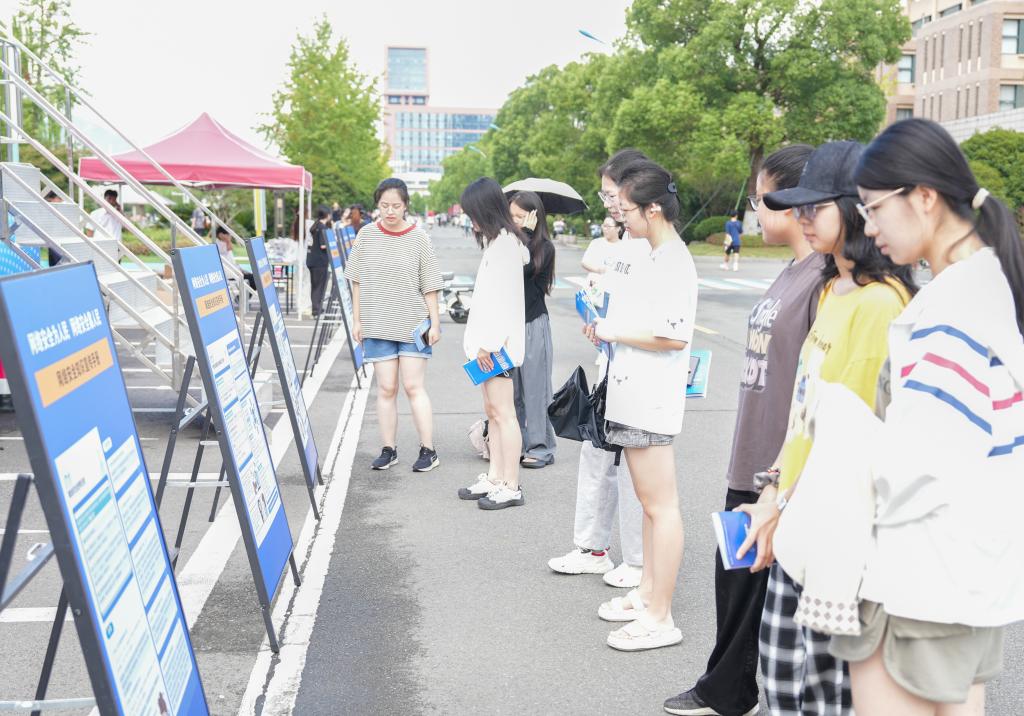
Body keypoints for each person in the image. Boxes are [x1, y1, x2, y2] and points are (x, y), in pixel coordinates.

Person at [814, 119, 1024, 715]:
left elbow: (924, 463)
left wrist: (839, 440)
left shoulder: (952, 310)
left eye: (874, 207)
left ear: (924, 197)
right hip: (967, 569)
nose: (868, 226)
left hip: (920, 573)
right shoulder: (990, 284)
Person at [736, 141, 917, 715]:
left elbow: (851, 437)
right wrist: (773, 491)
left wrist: (782, 503)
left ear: (856, 211)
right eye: (799, 208)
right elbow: (805, 411)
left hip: (836, 526)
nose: (803, 218)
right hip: (797, 511)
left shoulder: (879, 305)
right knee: (784, 682)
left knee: (820, 692)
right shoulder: (832, 291)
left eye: (816, 207)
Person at [662, 144, 821, 716]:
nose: (755, 208)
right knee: (735, 581)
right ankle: (727, 687)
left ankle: (729, 690)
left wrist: (784, 475)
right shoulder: (793, 270)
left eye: (761, 198)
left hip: (781, 464)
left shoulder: (825, 280)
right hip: (751, 451)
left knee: (759, 590)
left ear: (792, 202)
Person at [586, 158, 698, 652]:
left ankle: (660, 614)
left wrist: (612, 330)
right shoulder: (653, 253)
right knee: (652, 508)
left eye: (627, 209)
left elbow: (672, 336)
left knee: (661, 507)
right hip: (634, 392)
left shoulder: (673, 259)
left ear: (653, 209)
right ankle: (649, 594)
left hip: (651, 397)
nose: (620, 216)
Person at [547, 148, 649, 589]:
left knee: (633, 471)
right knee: (597, 457)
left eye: (612, 195)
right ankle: (592, 548)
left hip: (640, 378)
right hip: (612, 365)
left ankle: (640, 562)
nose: (609, 204)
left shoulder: (655, 249)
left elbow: (666, 329)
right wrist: (600, 324)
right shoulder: (623, 243)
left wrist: (613, 329)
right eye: (606, 196)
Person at [345, 178, 443, 472]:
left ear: (406, 206)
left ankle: (428, 450)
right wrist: (357, 319)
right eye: (384, 205)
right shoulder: (366, 235)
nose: (390, 211)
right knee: (386, 388)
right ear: (377, 205)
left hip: (413, 324)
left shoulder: (419, 238)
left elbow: (430, 284)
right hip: (377, 323)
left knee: (413, 386)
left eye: (396, 206)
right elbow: (356, 280)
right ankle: (389, 449)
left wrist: (435, 323)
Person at [457, 178, 530, 510]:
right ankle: (496, 476)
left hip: (496, 349)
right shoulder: (499, 243)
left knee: (504, 414)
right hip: (489, 347)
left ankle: (510, 483)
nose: (470, 220)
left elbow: (503, 302)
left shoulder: (504, 247)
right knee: (494, 413)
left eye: (473, 213)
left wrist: (487, 345)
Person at [508, 191, 557, 469]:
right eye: (511, 215)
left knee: (536, 390)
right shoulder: (506, 244)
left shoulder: (544, 248)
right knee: (511, 392)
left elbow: (523, 271)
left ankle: (541, 447)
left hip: (532, 324)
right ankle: (516, 443)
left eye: (520, 216)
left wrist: (525, 235)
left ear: (534, 217)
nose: (514, 221)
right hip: (507, 326)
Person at [305, 206, 330, 317]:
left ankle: (316, 307)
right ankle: (316, 309)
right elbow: (323, 245)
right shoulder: (323, 228)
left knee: (314, 285)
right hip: (320, 261)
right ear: (327, 215)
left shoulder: (314, 226)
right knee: (319, 286)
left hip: (311, 259)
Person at [215, 225, 256, 291]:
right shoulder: (218, 244)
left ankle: (245, 295)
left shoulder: (224, 243)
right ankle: (243, 296)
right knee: (253, 280)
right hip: (230, 274)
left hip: (235, 271)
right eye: (228, 234)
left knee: (254, 278)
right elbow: (229, 248)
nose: (230, 236)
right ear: (220, 235)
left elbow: (232, 259)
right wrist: (228, 240)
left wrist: (241, 270)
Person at [43, 192, 64, 266]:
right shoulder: (46, 210)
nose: (61, 201)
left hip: (56, 240)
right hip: (51, 241)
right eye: (59, 198)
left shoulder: (58, 210)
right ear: (51, 199)